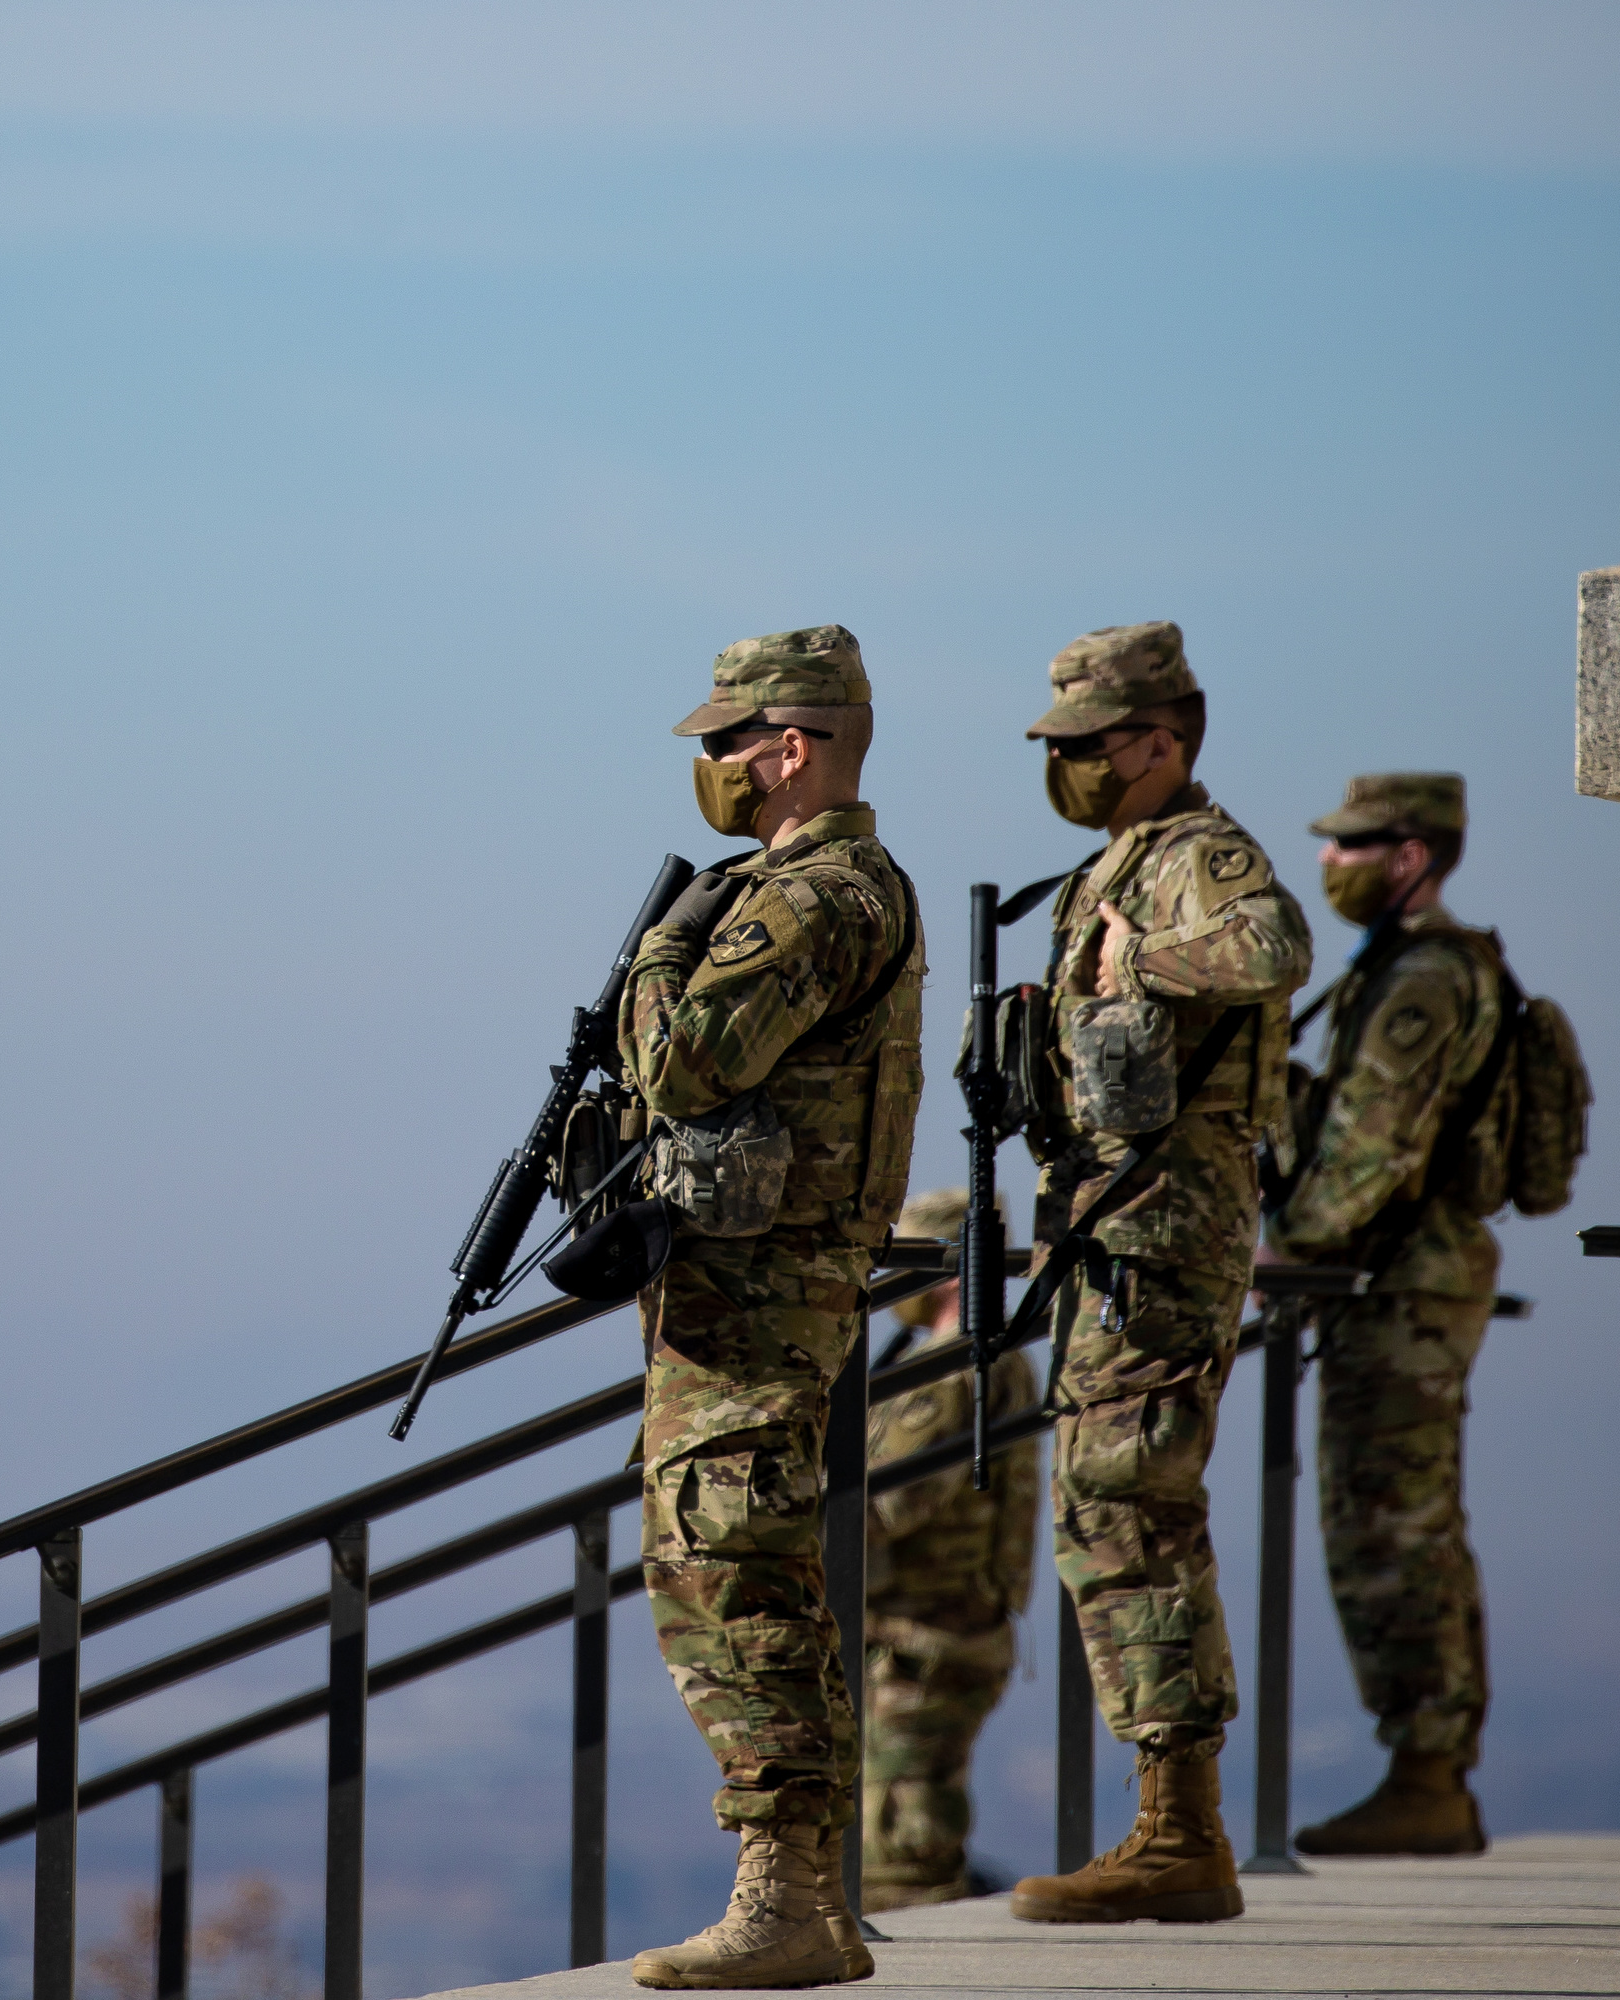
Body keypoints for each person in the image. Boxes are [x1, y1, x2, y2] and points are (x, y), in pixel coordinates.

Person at [621, 626, 925, 1990]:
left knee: (729, 1562)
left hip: (764, 1291)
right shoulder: (800, 886)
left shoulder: (816, 898)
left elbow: (688, 1066)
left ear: (788, 747)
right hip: (745, 1282)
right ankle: (795, 1892)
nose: (714, 766)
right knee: (723, 1555)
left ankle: (789, 1896)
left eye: (726, 742)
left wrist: (646, 967)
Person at [997, 622, 1311, 1927]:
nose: (1065, 766)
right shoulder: (1123, 859)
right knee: (1103, 1494)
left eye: (1083, 744)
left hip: (1167, 1215)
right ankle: (1171, 1824)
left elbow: (1275, 943)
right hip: (1116, 1215)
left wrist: (1149, 962)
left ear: (1158, 742)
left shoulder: (1199, 852)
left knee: (1130, 1488)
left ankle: (1182, 1835)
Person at [1263, 772, 1501, 1855]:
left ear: (1410, 856)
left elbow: (1375, 1141)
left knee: (1391, 1525)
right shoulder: (1402, 969)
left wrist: (1289, 1246)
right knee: (1396, 1518)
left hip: (1404, 1281)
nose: (1329, 863)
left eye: (1352, 847)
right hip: (1400, 1276)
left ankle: (1429, 1770)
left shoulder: (1424, 982)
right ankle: (1428, 1765)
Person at [859, 1186, 1042, 1912]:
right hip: (937, 1630)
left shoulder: (956, 1367)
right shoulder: (976, 1357)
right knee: (894, 1834)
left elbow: (886, 1503)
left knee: (899, 1856)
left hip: (926, 1637)